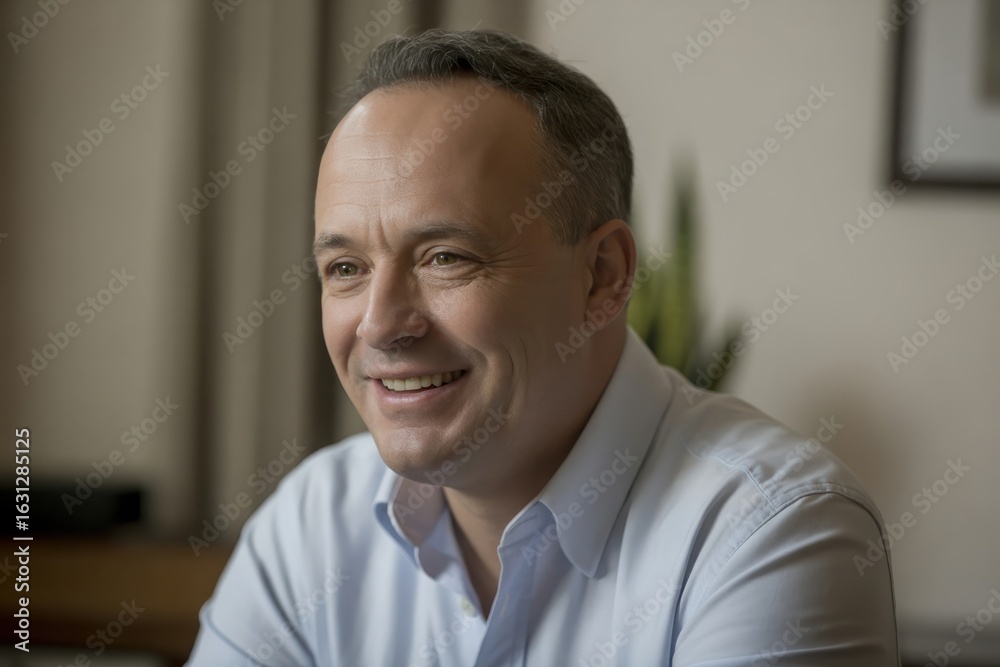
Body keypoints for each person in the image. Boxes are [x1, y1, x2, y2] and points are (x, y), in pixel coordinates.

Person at [187, 29, 899, 666]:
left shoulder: (772, 530)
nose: (378, 324)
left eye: (445, 257)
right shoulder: (310, 525)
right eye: (346, 268)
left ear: (603, 276)